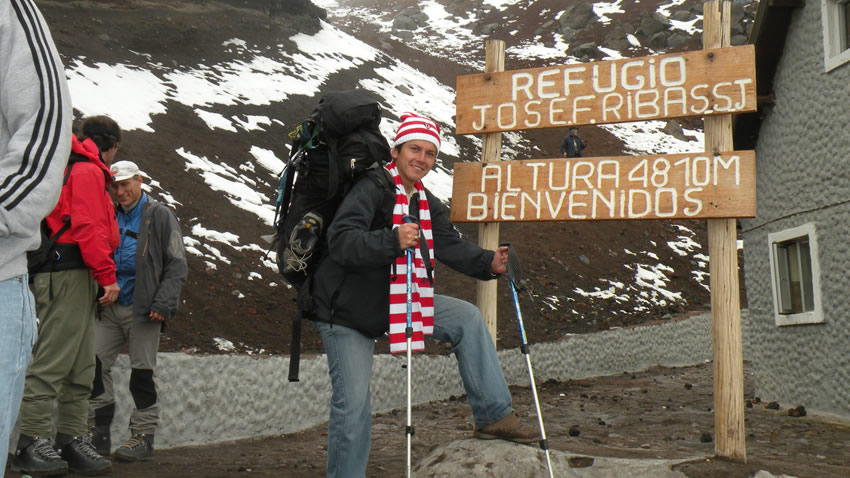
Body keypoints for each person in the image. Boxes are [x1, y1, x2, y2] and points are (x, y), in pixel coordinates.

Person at [310, 113, 539, 478]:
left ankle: (494, 416)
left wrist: (489, 263)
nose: (422, 159)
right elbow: (341, 241)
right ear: (396, 151)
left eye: (430, 153)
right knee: (352, 406)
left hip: (398, 298)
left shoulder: (424, 200)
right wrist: (391, 240)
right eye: (415, 149)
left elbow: (446, 243)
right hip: (346, 309)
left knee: (466, 318)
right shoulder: (370, 187)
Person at [12, 116, 122, 476]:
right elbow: (89, 226)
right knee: (56, 358)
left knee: (80, 365)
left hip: (75, 273)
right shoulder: (88, 172)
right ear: (111, 145)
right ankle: (31, 441)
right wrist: (107, 276)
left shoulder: (75, 167)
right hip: (71, 272)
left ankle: (71, 438)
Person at [0, 0, 73, 473]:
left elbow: (45, 118)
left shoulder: (8, 11)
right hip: (66, 269)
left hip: (15, 270)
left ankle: (50, 440)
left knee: (75, 368)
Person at [88, 160, 188, 462]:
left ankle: (143, 436)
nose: (120, 192)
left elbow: (177, 262)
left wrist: (164, 303)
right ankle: (98, 434)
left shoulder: (158, 215)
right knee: (93, 366)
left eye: (126, 184)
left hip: (143, 308)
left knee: (141, 373)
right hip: (108, 306)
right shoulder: (109, 212)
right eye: (115, 186)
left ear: (140, 180)